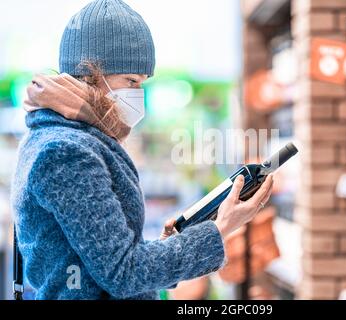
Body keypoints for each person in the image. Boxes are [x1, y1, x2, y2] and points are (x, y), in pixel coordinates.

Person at [11, 0, 273, 300]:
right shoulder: (66, 152)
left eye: (142, 83)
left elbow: (103, 261)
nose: (138, 94)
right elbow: (124, 273)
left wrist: (167, 245)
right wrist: (219, 229)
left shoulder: (63, 137)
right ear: (89, 73)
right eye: (131, 81)